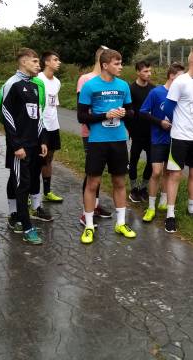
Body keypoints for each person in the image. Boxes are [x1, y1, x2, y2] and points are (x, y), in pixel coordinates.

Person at [77, 48, 136, 244]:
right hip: (97, 141)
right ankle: (88, 226)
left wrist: (124, 113)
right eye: (116, 64)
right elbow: (81, 116)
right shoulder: (89, 86)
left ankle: (121, 223)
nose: (121, 67)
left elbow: (131, 112)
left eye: (121, 63)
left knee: (119, 182)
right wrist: (105, 115)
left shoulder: (123, 85)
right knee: (92, 183)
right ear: (105, 65)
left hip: (119, 140)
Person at [1, 49, 49, 244]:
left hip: (34, 145)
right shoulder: (12, 84)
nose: (39, 65)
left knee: (29, 182)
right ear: (23, 62)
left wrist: (43, 140)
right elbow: (6, 115)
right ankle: (27, 226)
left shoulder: (35, 86)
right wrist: (16, 145)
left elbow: (38, 115)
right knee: (21, 185)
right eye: (35, 61)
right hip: (19, 148)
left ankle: (22, 218)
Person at [162, 48, 193, 233]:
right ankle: (170, 215)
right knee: (175, 174)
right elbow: (168, 107)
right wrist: (178, 123)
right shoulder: (180, 82)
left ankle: (192, 207)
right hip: (180, 137)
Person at [139, 63, 185, 222]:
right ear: (172, 75)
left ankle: (163, 201)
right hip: (158, 138)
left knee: (169, 171)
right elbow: (143, 112)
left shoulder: (182, 94)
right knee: (156, 172)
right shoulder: (156, 92)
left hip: (175, 138)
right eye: (180, 76)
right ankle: (151, 207)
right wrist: (160, 122)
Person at [76, 46, 113, 227]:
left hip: (110, 135)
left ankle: (95, 205)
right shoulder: (85, 79)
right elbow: (82, 110)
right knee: (92, 173)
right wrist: (95, 128)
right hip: (91, 134)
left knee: (99, 172)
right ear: (101, 60)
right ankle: (86, 213)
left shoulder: (112, 80)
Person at [38, 51, 64, 202]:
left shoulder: (57, 82)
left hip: (53, 125)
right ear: (46, 62)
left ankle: (47, 192)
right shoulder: (37, 79)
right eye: (55, 60)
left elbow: (54, 105)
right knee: (37, 159)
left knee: (49, 159)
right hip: (40, 126)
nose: (58, 62)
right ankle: (30, 193)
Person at [126, 61, 154, 203]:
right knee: (134, 161)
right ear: (138, 72)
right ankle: (133, 189)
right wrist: (130, 130)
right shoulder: (131, 89)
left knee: (151, 161)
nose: (148, 74)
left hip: (150, 132)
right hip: (136, 132)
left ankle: (143, 187)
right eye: (145, 71)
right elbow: (127, 111)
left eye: (149, 71)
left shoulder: (153, 89)